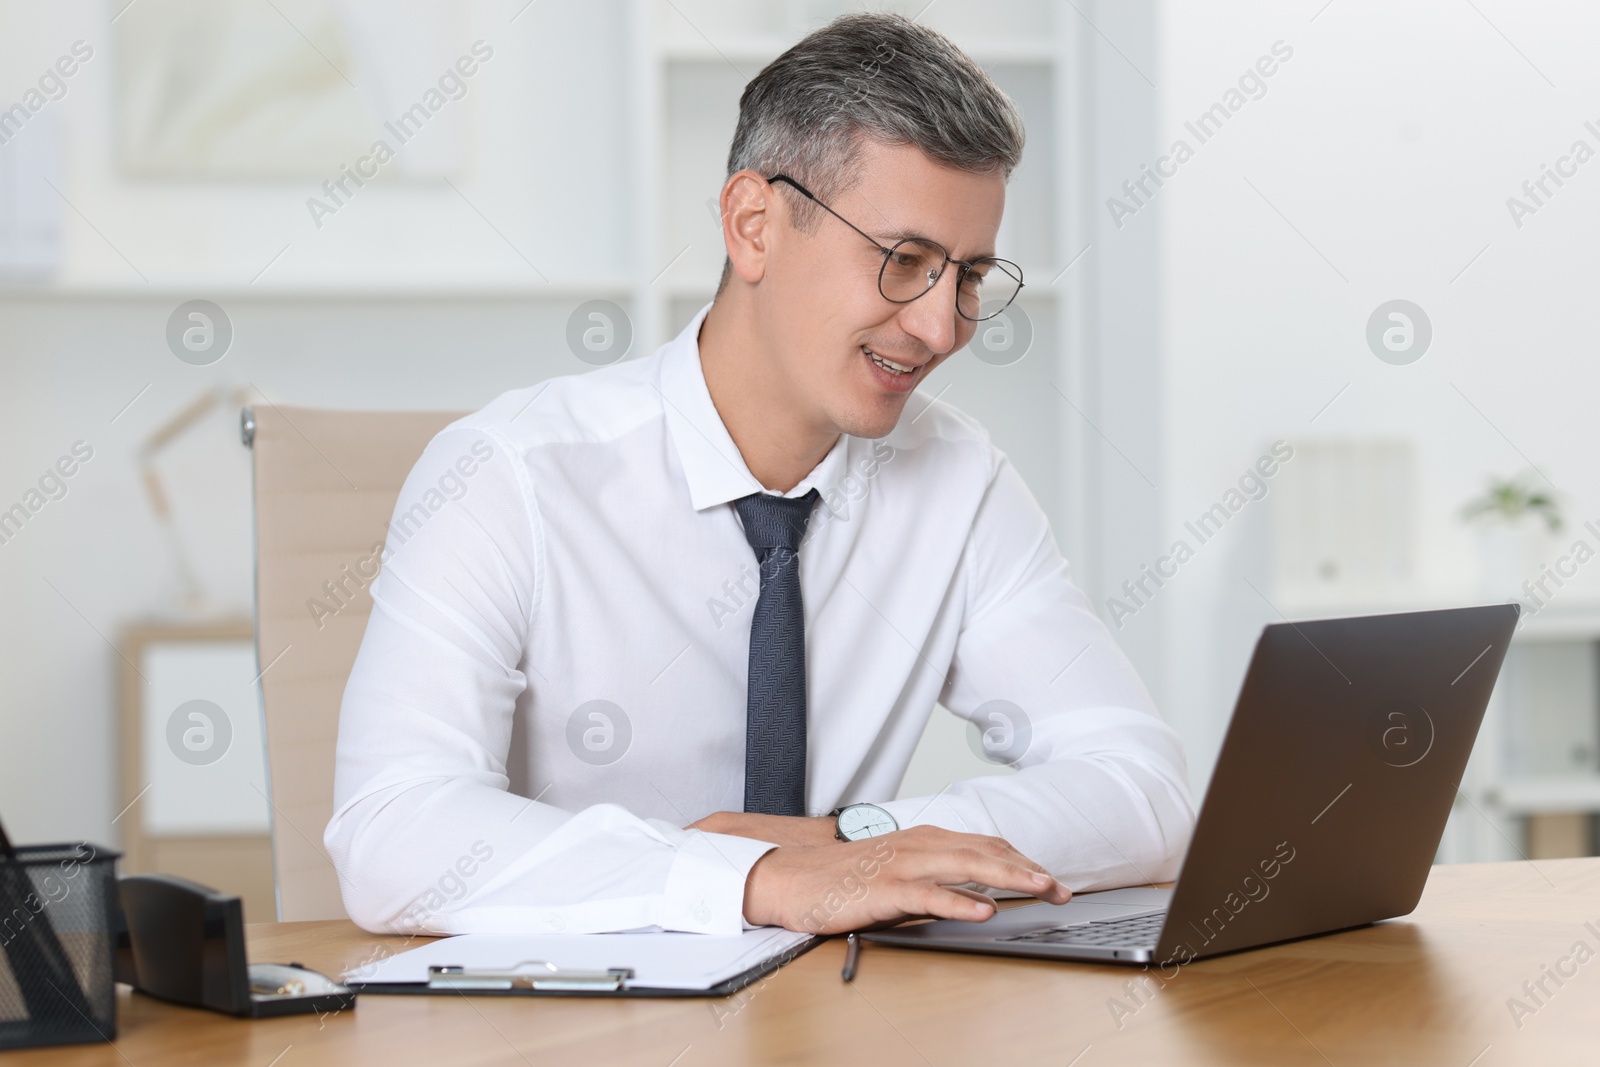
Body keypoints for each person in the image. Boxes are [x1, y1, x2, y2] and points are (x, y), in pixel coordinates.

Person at [325, 12, 1193, 938]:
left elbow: (1144, 790)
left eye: (969, 275)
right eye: (904, 262)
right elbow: (393, 832)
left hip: (841, 1014)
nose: (941, 330)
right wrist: (752, 880)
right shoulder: (509, 478)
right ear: (754, 226)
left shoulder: (957, 481)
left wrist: (856, 839)